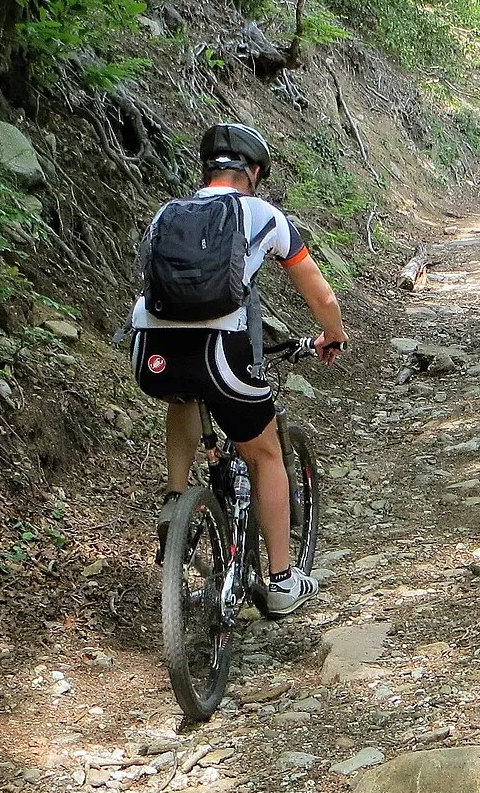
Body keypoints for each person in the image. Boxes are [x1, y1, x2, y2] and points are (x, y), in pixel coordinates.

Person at [131, 123, 346, 613]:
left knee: (182, 393)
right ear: (253, 173)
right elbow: (320, 294)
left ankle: (175, 495)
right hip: (221, 354)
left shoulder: (166, 214)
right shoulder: (262, 215)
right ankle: (281, 581)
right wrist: (331, 333)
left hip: (153, 354)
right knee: (266, 455)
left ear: (206, 170)